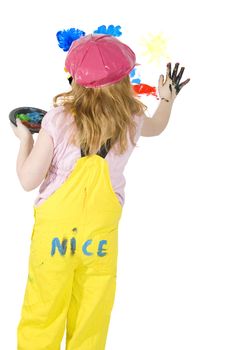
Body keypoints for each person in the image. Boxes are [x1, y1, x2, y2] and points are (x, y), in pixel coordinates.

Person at [11, 33, 190, 350]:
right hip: (100, 241)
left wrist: (26, 140)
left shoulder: (58, 120)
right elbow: (158, 126)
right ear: (124, 79)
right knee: (92, 316)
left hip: (54, 241)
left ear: (76, 80)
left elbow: (28, 180)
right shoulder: (132, 118)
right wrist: (166, 99)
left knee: (43, 311)